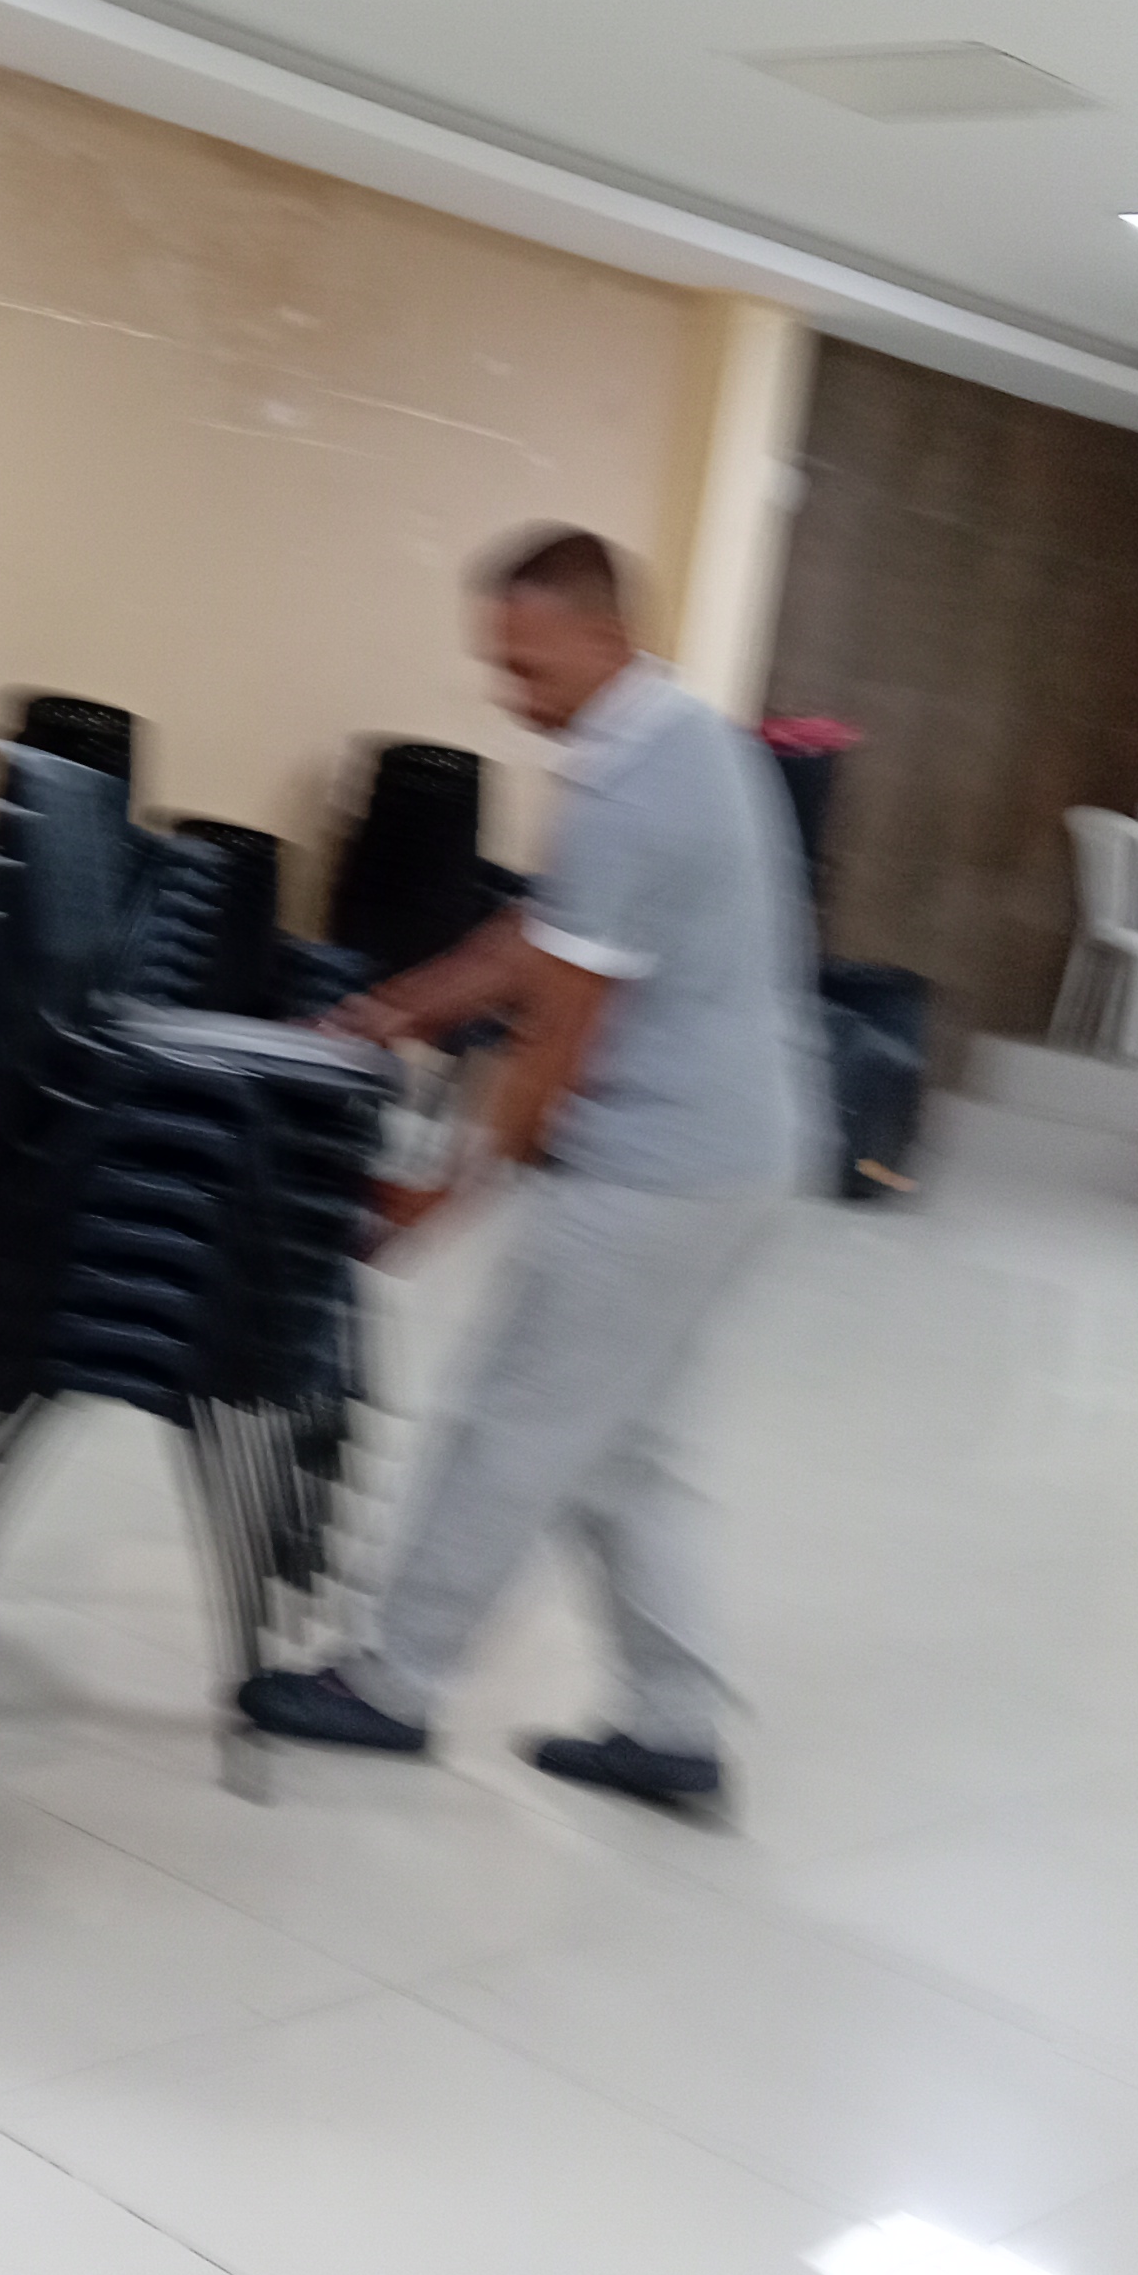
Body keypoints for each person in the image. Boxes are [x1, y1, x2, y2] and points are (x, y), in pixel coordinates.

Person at [240, 524, 820, 1809]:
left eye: (529, 663)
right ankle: (675, 1722)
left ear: (605, 636)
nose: (510, 692)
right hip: (736, 1155)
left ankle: (394, 1681)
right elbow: (542, 936)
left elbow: (557, 1037)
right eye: (499, 662)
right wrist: (391, 1010)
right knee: (626, 1442)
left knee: (511, 1418)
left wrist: (437, 1194)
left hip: (658, 1165)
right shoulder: (678, 738)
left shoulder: (632, 790)